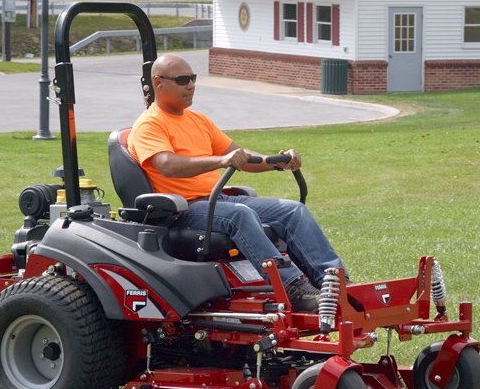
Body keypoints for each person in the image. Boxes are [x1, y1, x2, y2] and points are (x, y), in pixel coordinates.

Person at [127, 53, 347, 312]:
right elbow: (166, 163)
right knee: (239, 215)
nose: (191, 85)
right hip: (183, 211)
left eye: (193, 78)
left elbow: (242, 157)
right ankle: (295, 289)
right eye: (182, 80)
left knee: (292, 210)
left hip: (217, 201)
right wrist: (220, 161)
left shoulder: (199, 121)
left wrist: (277, 161)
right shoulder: (148, 125)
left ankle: (338, 285)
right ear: (159, 83)